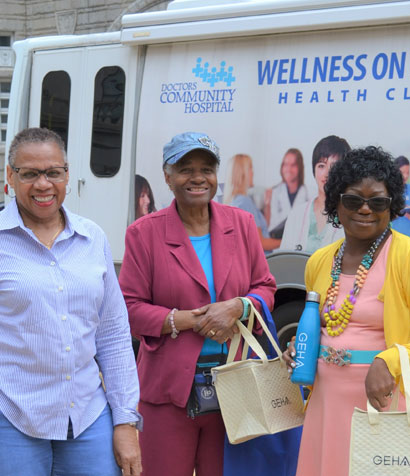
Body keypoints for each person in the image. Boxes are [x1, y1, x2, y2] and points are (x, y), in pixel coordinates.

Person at [0, 127, 142, 476]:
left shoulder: (92, 238)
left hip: (85, 411)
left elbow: (114, 336)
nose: (43, 184)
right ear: (10, 176)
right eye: (30, 174)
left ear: (67, 175)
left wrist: (125, 420)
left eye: (53, 173)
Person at [282, 146, 410, 476]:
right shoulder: (320, 262)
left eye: (377, 201)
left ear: (392, 207)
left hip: (388, 404)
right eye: (353, 200)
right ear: (335, 202)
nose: (365, 209)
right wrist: (300, 350)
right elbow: (324, 326)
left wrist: (389, 360)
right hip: (328, 406)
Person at [118, 132, 276, 476]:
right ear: (167, 176)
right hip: (169, 391)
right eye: (185, 169)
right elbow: (129, 309)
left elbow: (265, 286)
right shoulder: (144, 233)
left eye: (206, 168)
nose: (197, 178)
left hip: (235, 387)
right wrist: (188, 320)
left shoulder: (242, 224)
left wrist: (238, 307)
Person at [280, 135, 349, 252]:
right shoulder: (296, 215)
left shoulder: (351, 217)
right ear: (314, 170)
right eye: (321, 166)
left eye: (335, 166)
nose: (327, 173)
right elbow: (284, 261)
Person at [223, 153, 281, 251]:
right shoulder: (244, 203)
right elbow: (260, 243)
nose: (252, 173)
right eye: (250, 169)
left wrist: (267, 204)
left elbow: (261, 230)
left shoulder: (235, 201)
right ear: (242, 173)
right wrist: (285, 241)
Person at [264, 148, 311, 237]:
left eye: (293, 165)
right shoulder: (274, 192)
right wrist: (267, 205)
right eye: (285, 164)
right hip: (278, 246)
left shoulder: (308, 193)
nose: (288, 169)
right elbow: (269, 227)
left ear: (300, 168)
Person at [390, 155, 410, 242]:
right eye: (402, 172)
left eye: (408, 172)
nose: (405, 176)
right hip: (395, 239)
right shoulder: (389, 191)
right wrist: (398, 211)